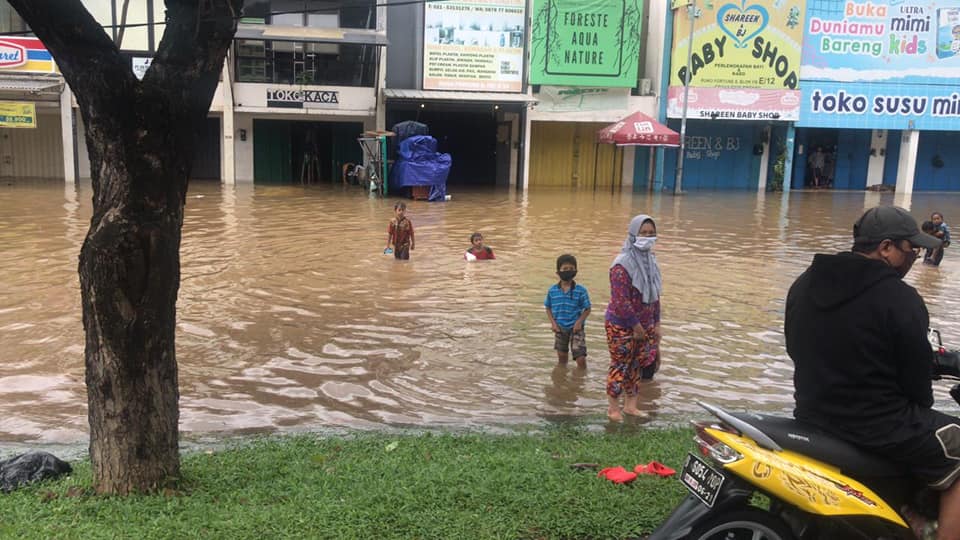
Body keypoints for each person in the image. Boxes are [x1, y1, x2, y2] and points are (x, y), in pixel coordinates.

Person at [784, 205, 960, 539]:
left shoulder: (804, 283)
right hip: (878, 425)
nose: (914, 258)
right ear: (886, 248)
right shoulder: (900, 298)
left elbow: (794, 347)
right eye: (912, 249)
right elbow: (918, 389)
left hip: (811, 413)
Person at [605, 214, 662, 423]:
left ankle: (631, 406)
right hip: (621, 325)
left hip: (645, 325)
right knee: (620, 365)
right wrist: (635, 326)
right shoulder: (621, 264)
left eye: (651, 233)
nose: (647, 237)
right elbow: (621, 301)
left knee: (636, 366)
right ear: (633, 234)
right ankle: (613, 409)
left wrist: (656, 323)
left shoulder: (651, 263)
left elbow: (655, 296)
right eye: (643, 233)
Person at [544, 254, 591, 370]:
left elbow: (587, 308)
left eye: (571, 269)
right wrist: (553, 323)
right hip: (559, 327)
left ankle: (581, 380)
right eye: (565, 269)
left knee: (580, 357)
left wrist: (579, 322)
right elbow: (548, 307)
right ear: (558, 272)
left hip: (576, 328)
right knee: (562, 357)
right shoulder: (552, 291)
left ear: (576, 271)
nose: (568, 271)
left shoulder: (581, 290)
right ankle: (562, 379)